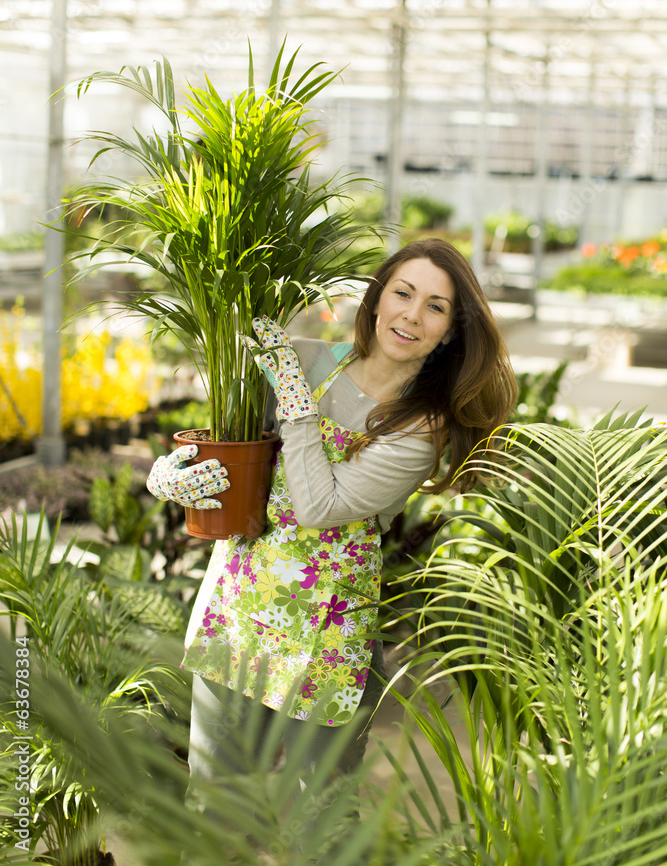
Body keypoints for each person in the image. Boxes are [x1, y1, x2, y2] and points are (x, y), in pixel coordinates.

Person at [146, 237, 517, 803]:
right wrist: (174, 476)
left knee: (317, 824)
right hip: (238, 610)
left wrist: (296, 404)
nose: (412, 315)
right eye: (403, 293)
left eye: (436, 307)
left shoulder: (420, 428)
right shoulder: (307, 358)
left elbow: (320, 508)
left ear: (450, 332)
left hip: (325, 638)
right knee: (212, 808)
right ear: (375, 300)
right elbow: (230, 452)